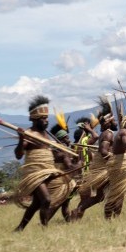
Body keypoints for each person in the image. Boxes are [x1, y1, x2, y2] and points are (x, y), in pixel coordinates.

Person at [13, 95, 75, 231]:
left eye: (46, 118)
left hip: (47, 172)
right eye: (43, 118)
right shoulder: (29, 135)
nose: (46, 121)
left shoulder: (46, 135)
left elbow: (54, 155)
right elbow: (18, 155)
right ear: (35, 119)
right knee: (46, 200)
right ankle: (44, 230)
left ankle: (19, 228)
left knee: (36, 204)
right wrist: (21, 138)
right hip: (35, 173)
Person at [71, 96, 118, 219]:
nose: (116, 122)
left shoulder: (107, 133)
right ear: (108, 122)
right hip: (104, 169)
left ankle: (80, 211)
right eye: (114, 120)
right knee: (109, 194)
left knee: (101, 196)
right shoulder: (108, 134)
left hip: (103, 169)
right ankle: (79, 211)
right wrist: (114, 160)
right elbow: (103, 151)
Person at [48, 120, 82, 222]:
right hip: (62, 181)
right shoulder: (63, 151)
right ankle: (44, 222)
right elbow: (70, 167)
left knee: (65, 203)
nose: (69, 139)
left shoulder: (55, 150)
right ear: (62, 139)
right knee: (58, 203)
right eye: (67, 137)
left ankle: (69, 221)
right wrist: (80, 163)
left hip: (57, 179)